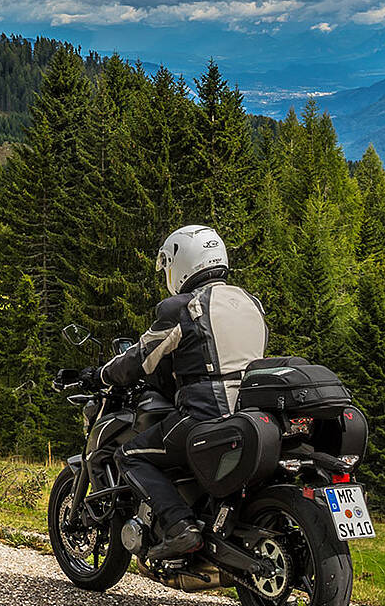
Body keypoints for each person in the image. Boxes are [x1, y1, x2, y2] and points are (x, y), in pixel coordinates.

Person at [90, 224, 267, 559]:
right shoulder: (250, 302)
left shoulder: (183, 308)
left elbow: (140, 358)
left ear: (183, 263)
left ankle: (178, 526)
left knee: (129, 455)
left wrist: (102, 374)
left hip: (206, 414)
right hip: (250, 414)